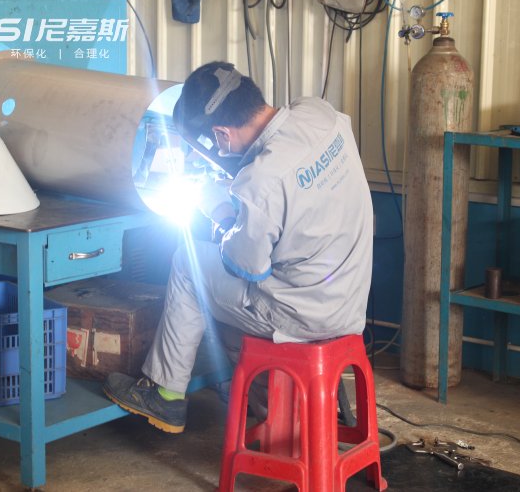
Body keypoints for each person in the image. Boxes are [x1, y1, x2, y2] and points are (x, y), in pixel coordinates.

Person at [103, 61, 374, 433]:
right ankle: (257, 392)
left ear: (221, 135)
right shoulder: (318, 113)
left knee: (188, 263)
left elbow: (247, 267)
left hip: (303, 315)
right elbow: (295, 186)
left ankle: (164, 393)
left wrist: (221, 211)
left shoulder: (259, 183)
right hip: (350, 298)